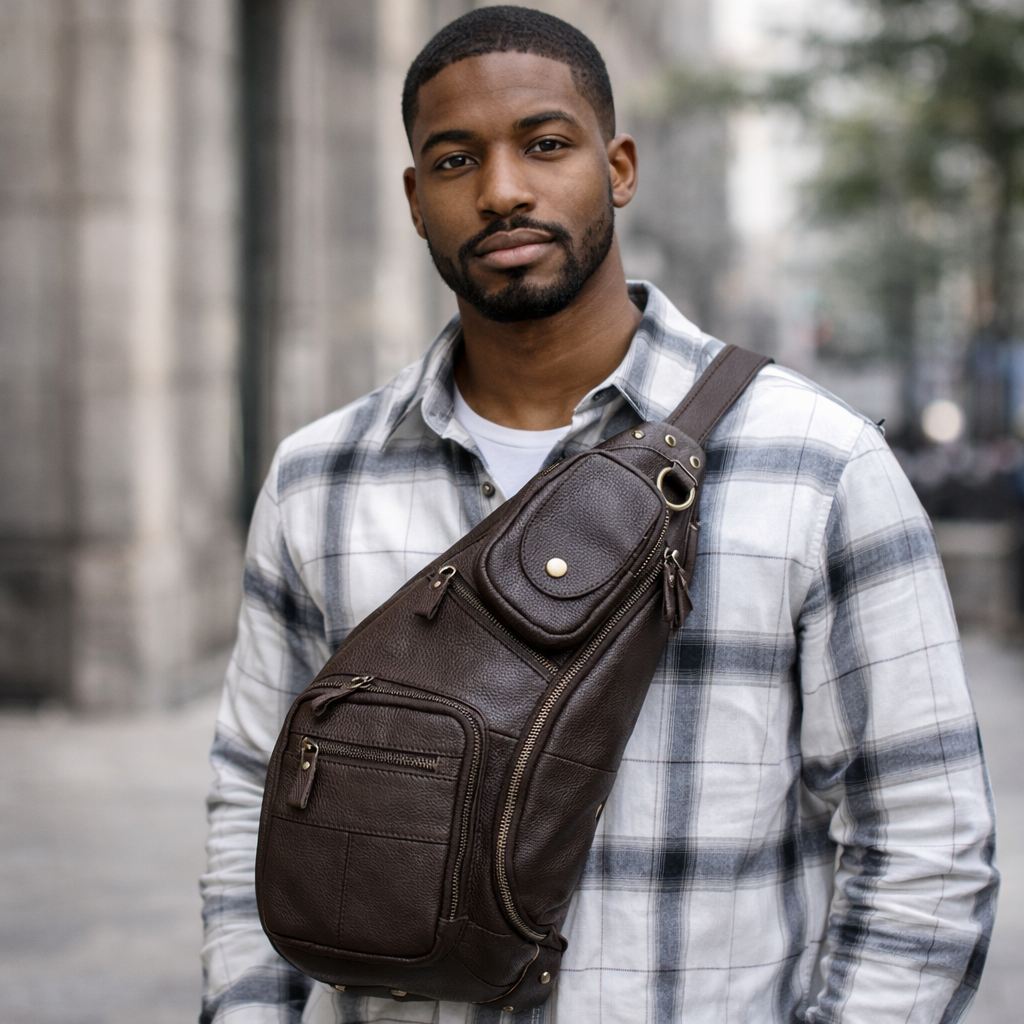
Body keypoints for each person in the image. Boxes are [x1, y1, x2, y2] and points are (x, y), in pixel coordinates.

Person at [200, 7, 998, 1022]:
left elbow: (923, 844)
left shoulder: (817, 463)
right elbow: (247, 806)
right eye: (454, 160)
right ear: (413, 198)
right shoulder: (318, 478)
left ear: (617, 167)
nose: (501, 190)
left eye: (544, 144)